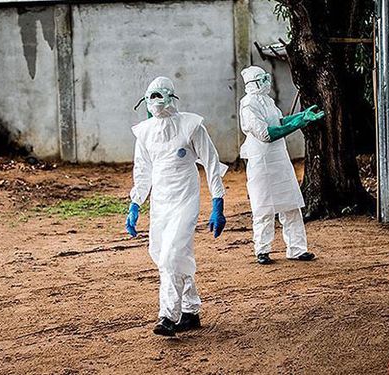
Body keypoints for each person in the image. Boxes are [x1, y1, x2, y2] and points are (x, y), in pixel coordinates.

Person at [125, 77, 228, 336]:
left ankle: (167, 316)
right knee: (164, 255)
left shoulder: (191, 126)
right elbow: (143, 170)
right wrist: (136, 203)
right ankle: (191, 311)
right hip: (161, 203)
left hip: (185, 199)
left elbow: (211, 162)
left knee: (171, 256)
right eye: (151, 97)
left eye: (160, 96)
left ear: (172, 96)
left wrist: (218, 202)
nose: (156, 102)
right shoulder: (145, 132)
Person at [239, 66, 324, 265]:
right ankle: (262, 249)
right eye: (262, 79)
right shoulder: (248, 106)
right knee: (263, 208)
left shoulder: (268, 102)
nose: (267, 81)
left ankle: (297, 248)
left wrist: (301, 117)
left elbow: (280, 121)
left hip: (280, 160)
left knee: (291, 205)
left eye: (266, 77)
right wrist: (298, 124)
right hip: (262, 162)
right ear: (253, 84)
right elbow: (267, 134)